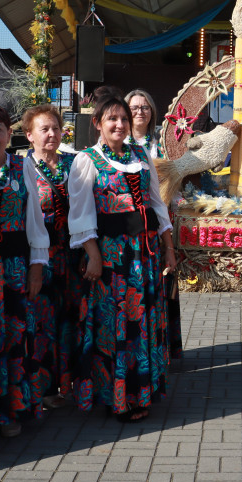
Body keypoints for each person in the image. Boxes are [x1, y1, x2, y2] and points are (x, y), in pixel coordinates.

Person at [68, 96, 178, 422]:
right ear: (97, 124)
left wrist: (169, 246)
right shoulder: (86, 161)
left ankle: (141, 390)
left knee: (142, 323)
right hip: (112, 257)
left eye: (124, 119)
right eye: (111, 119)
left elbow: (157, 204)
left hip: (144, 255)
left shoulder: (141, 155)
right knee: (115, 325)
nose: (119, 125)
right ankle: (118, 397)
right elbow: (81, 216)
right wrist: (94, 256)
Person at [0, 105, 50, 438]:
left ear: (9, 134)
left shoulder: (23, 167)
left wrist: (36, 266)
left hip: (15, 268)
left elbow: (36, 220)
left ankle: (11, 409)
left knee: (13, 338)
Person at [23, 105, 81, 410]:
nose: (51, 134)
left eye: (56, 128)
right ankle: (43, 389)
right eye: (44, 129)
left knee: (71, 320)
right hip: (41, 257)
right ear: (29, 135)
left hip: (73, 256)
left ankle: (70, 383)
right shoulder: (21, 168)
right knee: (42, 322)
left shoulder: (76, 163)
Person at [125, 88, 182, 362]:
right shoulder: (115, 142)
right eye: (134, 107)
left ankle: (165, 347)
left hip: (158, 216)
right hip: (129, 224)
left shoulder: (162, 142)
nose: (140, 111)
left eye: (145, 107)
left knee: (164, 279)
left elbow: (174, 177)